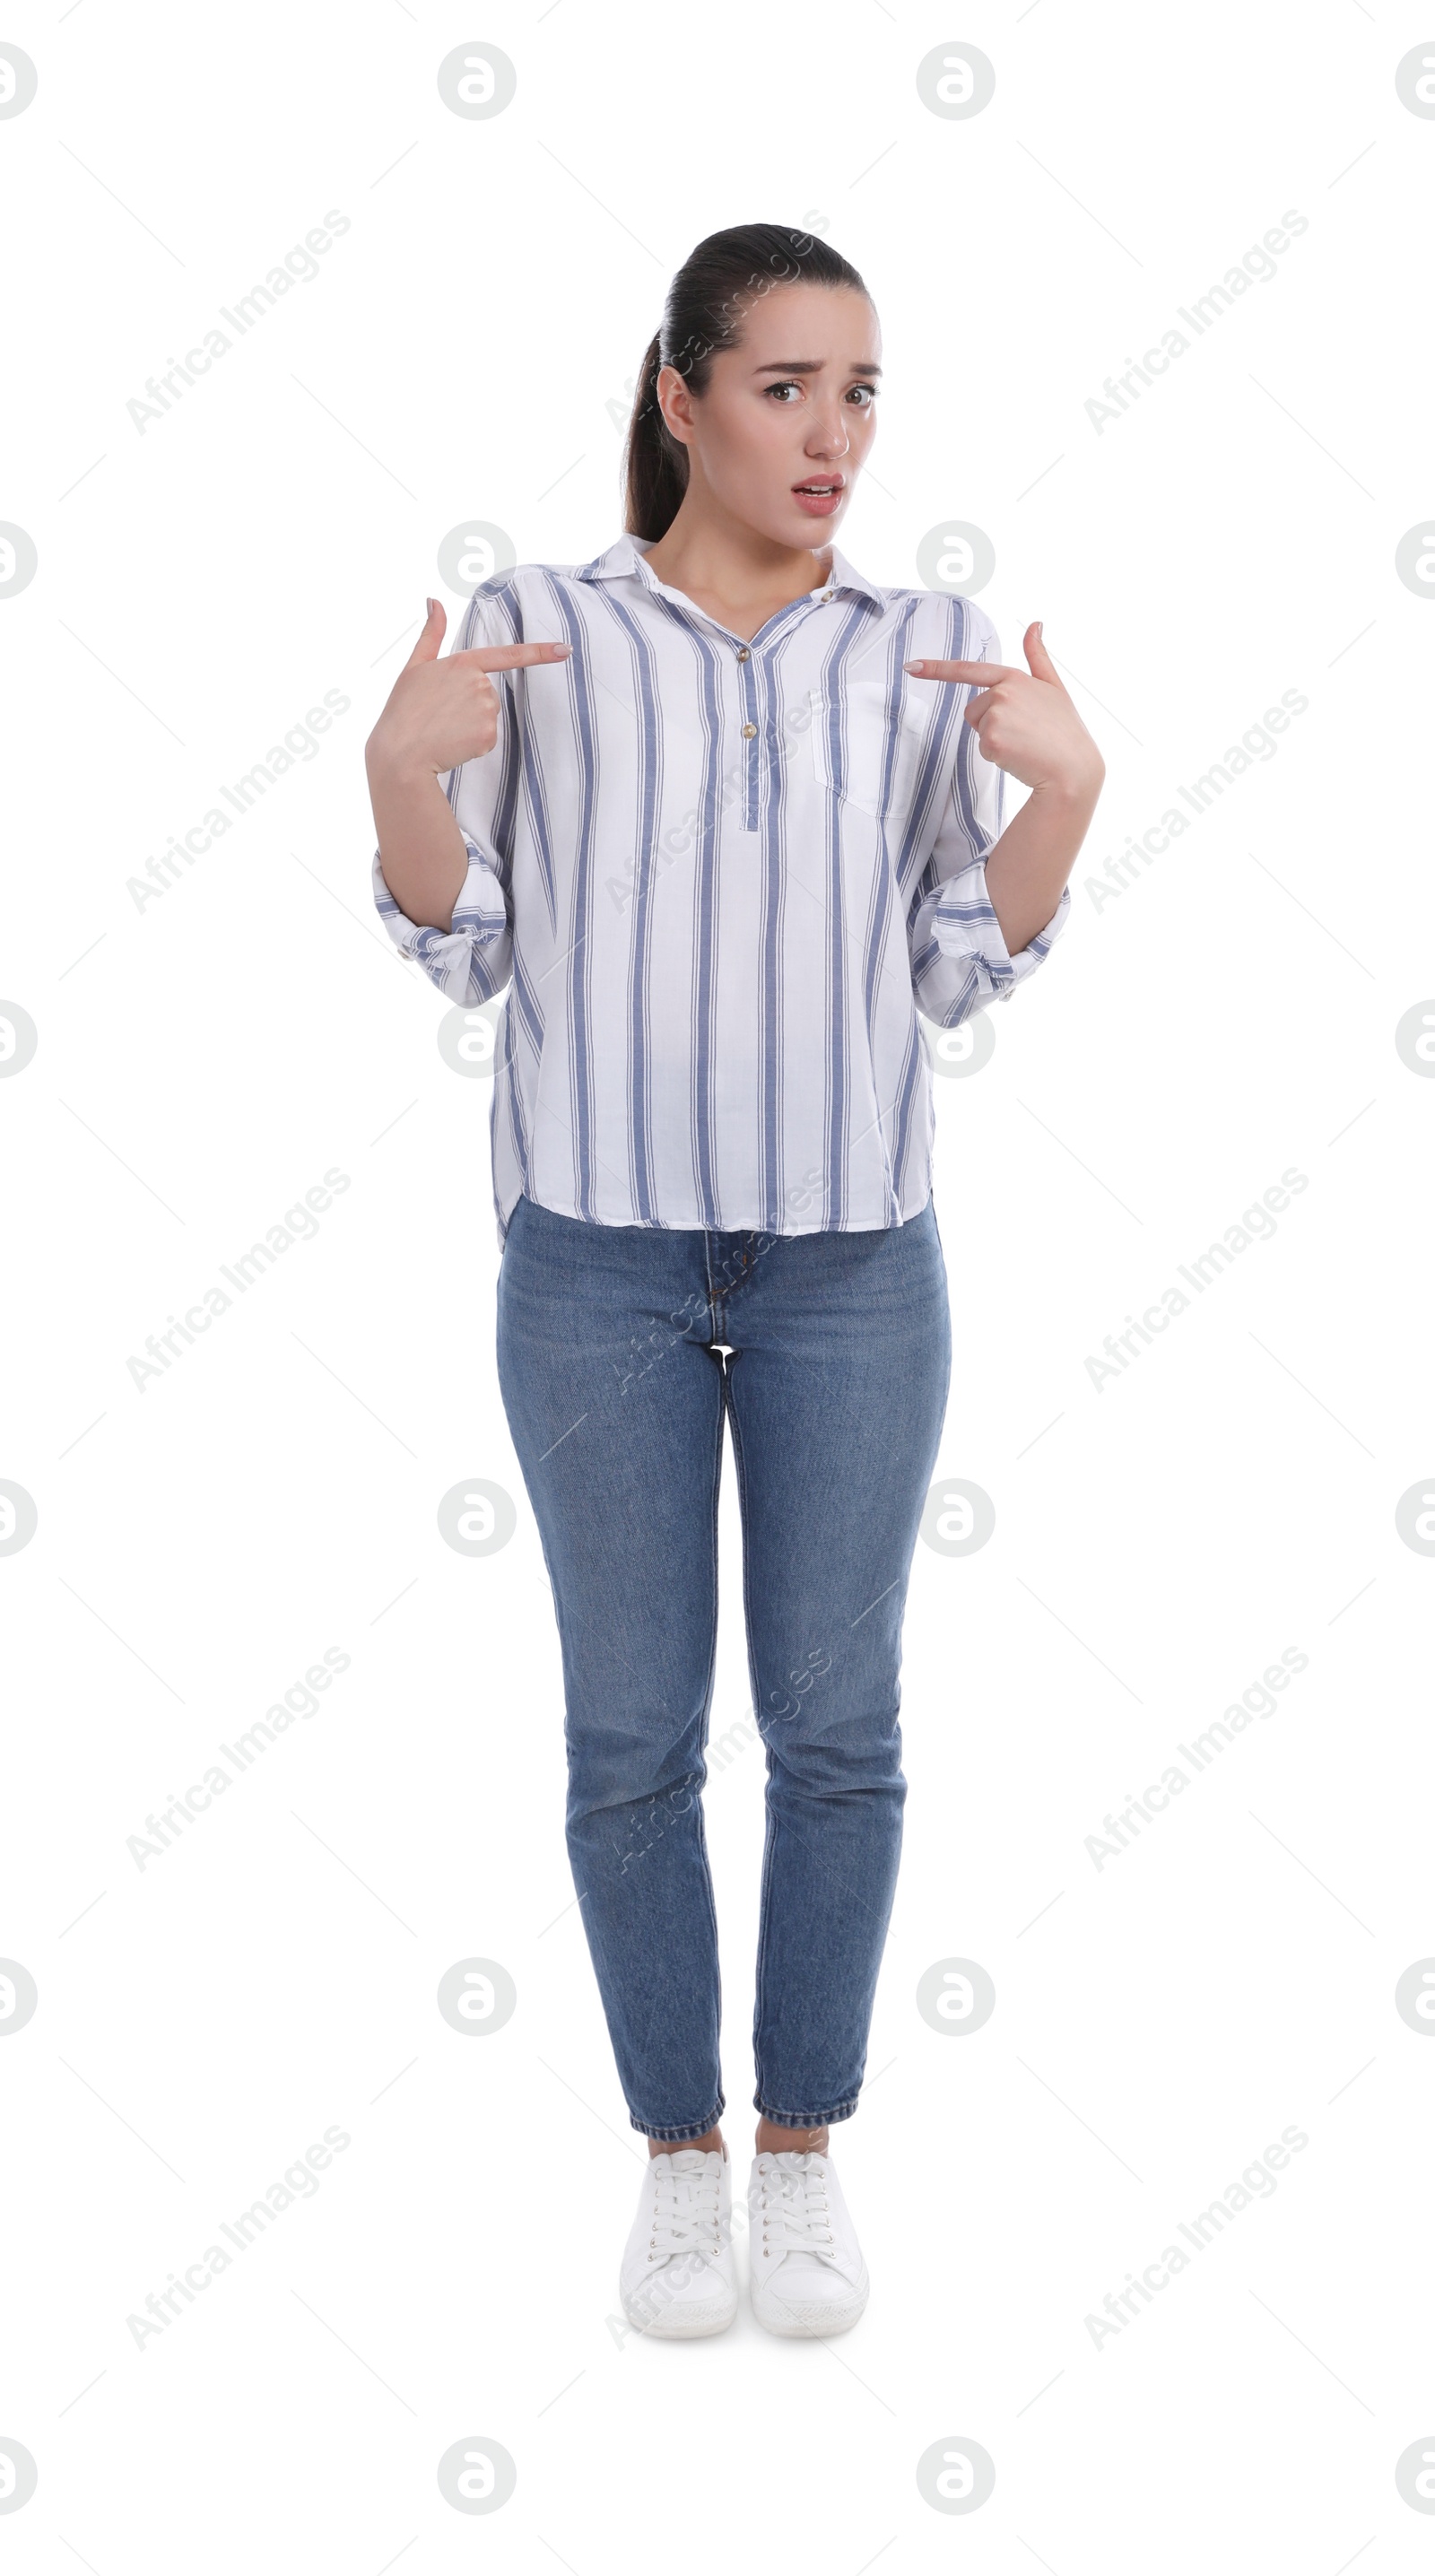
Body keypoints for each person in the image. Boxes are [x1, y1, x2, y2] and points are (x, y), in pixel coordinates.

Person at [365, 222, 1102, 2340]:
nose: (829, 433)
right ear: (678, 394)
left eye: (858, 391)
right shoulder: (534, 629)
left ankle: (802, 2159)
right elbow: (461, 944)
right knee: (624, 1738)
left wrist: (1062, 800)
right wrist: (404, 776)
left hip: (851, 1269)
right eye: (782, 385)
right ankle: (674, 2158)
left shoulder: (928, 641)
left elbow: (957, 964)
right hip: (590, 1260)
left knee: (837, 1729)